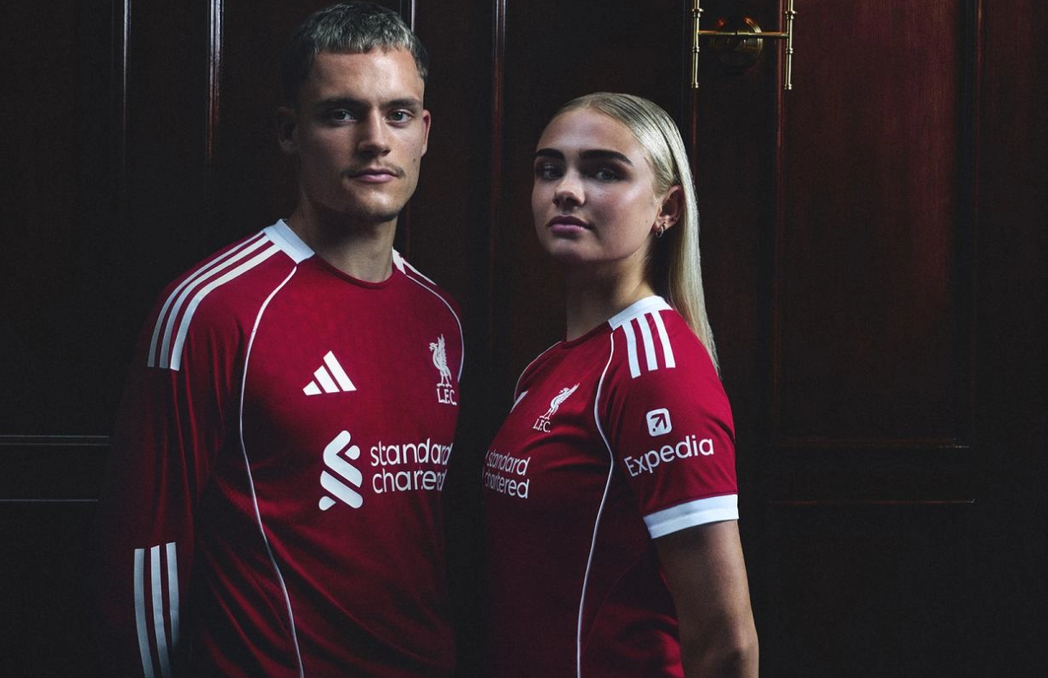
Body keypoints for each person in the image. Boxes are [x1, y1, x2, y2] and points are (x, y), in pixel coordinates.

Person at [91, 4, 463, 677]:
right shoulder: (212, 309)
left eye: (399, 114)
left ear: (425, 132)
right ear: (291, 131)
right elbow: (147, 555)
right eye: (341, 114)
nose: (376, 140)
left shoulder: (442, 319)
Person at [480, 93, 758, 677]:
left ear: (667, 209)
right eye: (549, 169)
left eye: (604, 172)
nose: (566, 190)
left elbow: (727, 643)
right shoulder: (549, 366)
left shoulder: (658, 373)